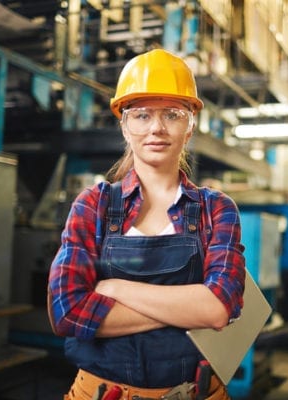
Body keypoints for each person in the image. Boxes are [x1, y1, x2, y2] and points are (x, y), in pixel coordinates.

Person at [47, 48, 246, 400]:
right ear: (124, 126)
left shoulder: (216, 209)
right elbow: (68, 312)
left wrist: (114, 288)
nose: (156, 128)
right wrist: (188, 309)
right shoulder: (92, 205)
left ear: (190, 127)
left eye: (172, 114)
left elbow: (218, 309)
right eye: (141, 115)